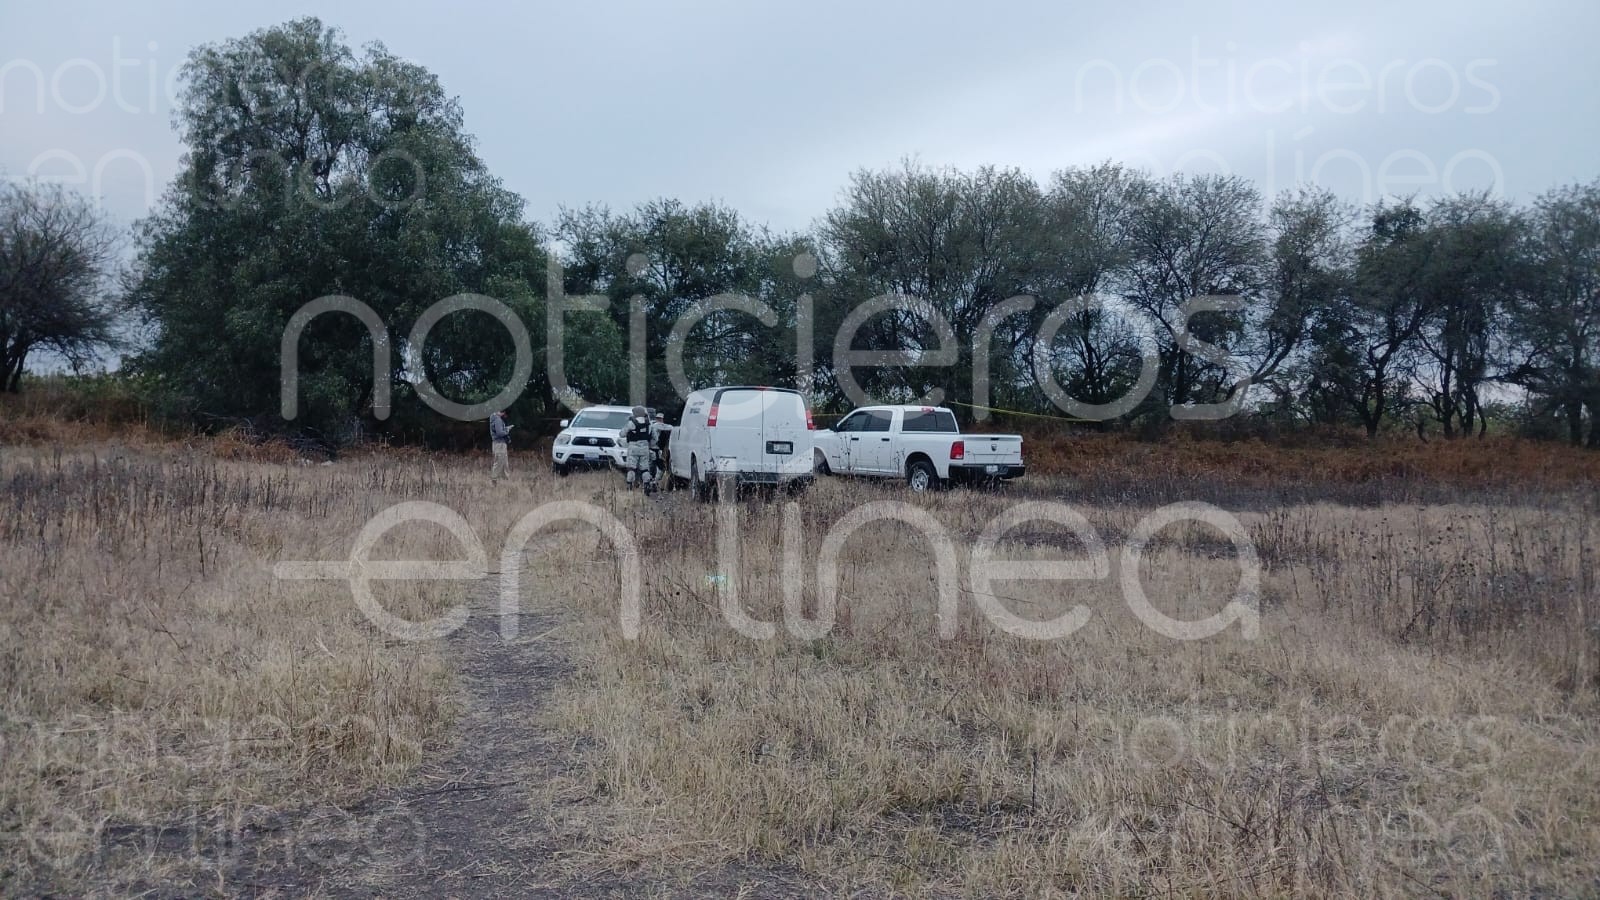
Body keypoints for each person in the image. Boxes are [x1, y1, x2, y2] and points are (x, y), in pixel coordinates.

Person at [623, 405, 654, 492]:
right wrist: (650, 445)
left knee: (631, 467)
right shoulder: (649, 424)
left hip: (633, 447)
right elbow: (654, 437)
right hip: (645, 448)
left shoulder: (631, 423)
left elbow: (622, 433)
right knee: (645, 468)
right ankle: (646, 485)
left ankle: (629, 486)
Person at [489, 410, 513, 481]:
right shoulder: (498, 420)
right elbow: (500, 433)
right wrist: (507, 431)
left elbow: (499, 431)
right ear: (504, 413)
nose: (505, 417)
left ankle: (505, 479)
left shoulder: (495, 418)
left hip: (499, 444)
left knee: (504, 463)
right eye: (505, 415)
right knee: (499, 462)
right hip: (499, 444)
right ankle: (493, 479)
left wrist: (506, 428)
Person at [649, 411, 673, 482]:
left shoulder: (651, 425)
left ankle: (650, 481)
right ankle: (654, 482)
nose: (660, 420)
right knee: (661, 467)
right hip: (655, 449)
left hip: (649, 449)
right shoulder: (659, 425)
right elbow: (671, 427)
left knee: (651, 466)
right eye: (659, 419)